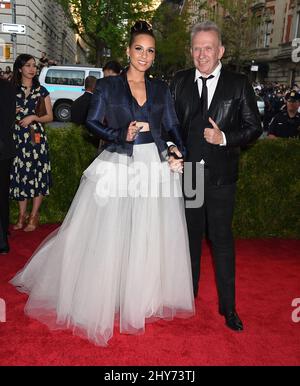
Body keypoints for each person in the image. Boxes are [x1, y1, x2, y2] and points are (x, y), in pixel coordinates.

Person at [10, 21, 194, 347]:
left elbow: (172, 125)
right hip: (118, 161)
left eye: (150, 51)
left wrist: (179, 149)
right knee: (108, 231)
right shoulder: (109, 87)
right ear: (128, 50)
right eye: (139, 49)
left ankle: (138, 294)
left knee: (147, 232)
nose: (144, 55)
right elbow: (91, 122)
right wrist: (119, 134)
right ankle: (102, 290)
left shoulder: (162, 89)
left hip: (152, 164)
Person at [169, 21, 262, 331]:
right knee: (191, 240)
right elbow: (169, 124)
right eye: (197, 48)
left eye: (208, 47)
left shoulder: (238, 83)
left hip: (222, 179)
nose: (202, 54)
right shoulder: (180, 81)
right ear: (191, 51)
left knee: (221, 241)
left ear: (220, 51)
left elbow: (254, 128)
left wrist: (223, 138)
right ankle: (189, 296)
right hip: (191, 174)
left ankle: (228, 307)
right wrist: (172, 148)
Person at [10, 54, 53, 232]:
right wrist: (11, 111)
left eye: (34, 66)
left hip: (36, 140)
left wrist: (34, 117)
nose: (32, 69)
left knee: (38, 175)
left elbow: (50, 116)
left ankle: (34, 215)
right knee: (21, 176)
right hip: (17, 139)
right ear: (20, 68)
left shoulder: (41, 91)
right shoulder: (11, 90)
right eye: (28, 65)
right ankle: (22, 215)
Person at [0, 79, 16, 254]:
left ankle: (2, 240)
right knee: (3, 193)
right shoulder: (9, 87)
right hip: (6, 149)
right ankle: (4, 232)